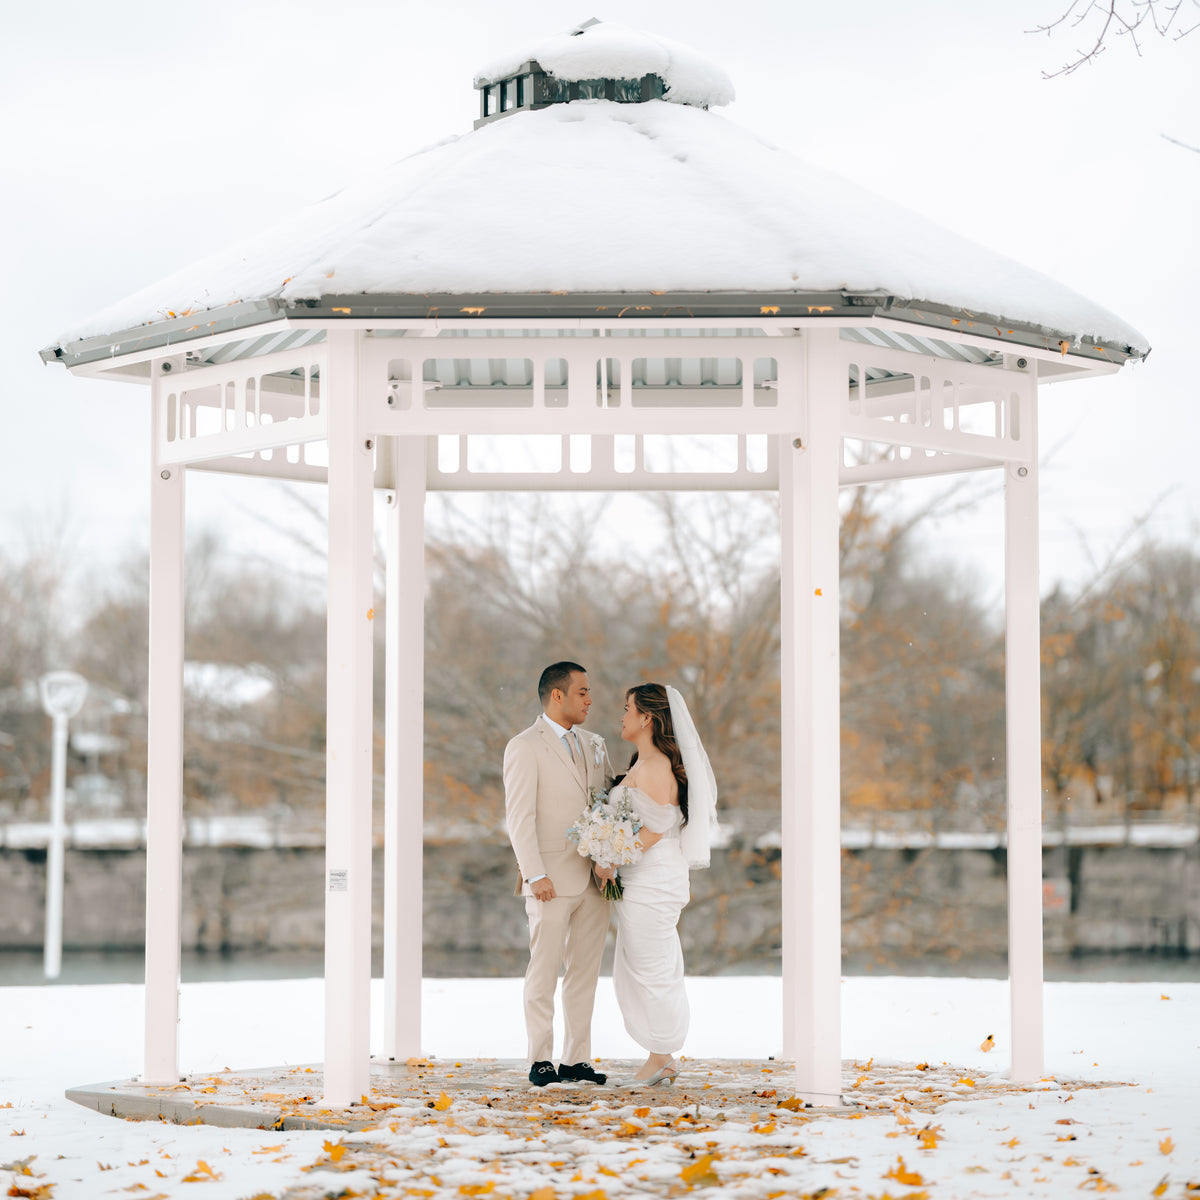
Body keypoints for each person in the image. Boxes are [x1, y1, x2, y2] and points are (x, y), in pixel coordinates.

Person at [503, 661, 616, 1087]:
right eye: (583, 691)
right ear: (557, 695)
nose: (590, 699)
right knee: (544, 969)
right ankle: (540, 1059)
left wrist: (609, 857)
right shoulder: (523, 746)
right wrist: (534, 874)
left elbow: (607, 805)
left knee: (585, 973)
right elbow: (519, 817)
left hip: (595, 878)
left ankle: (577, 1059)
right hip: (548, 879)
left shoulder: (595, 744)